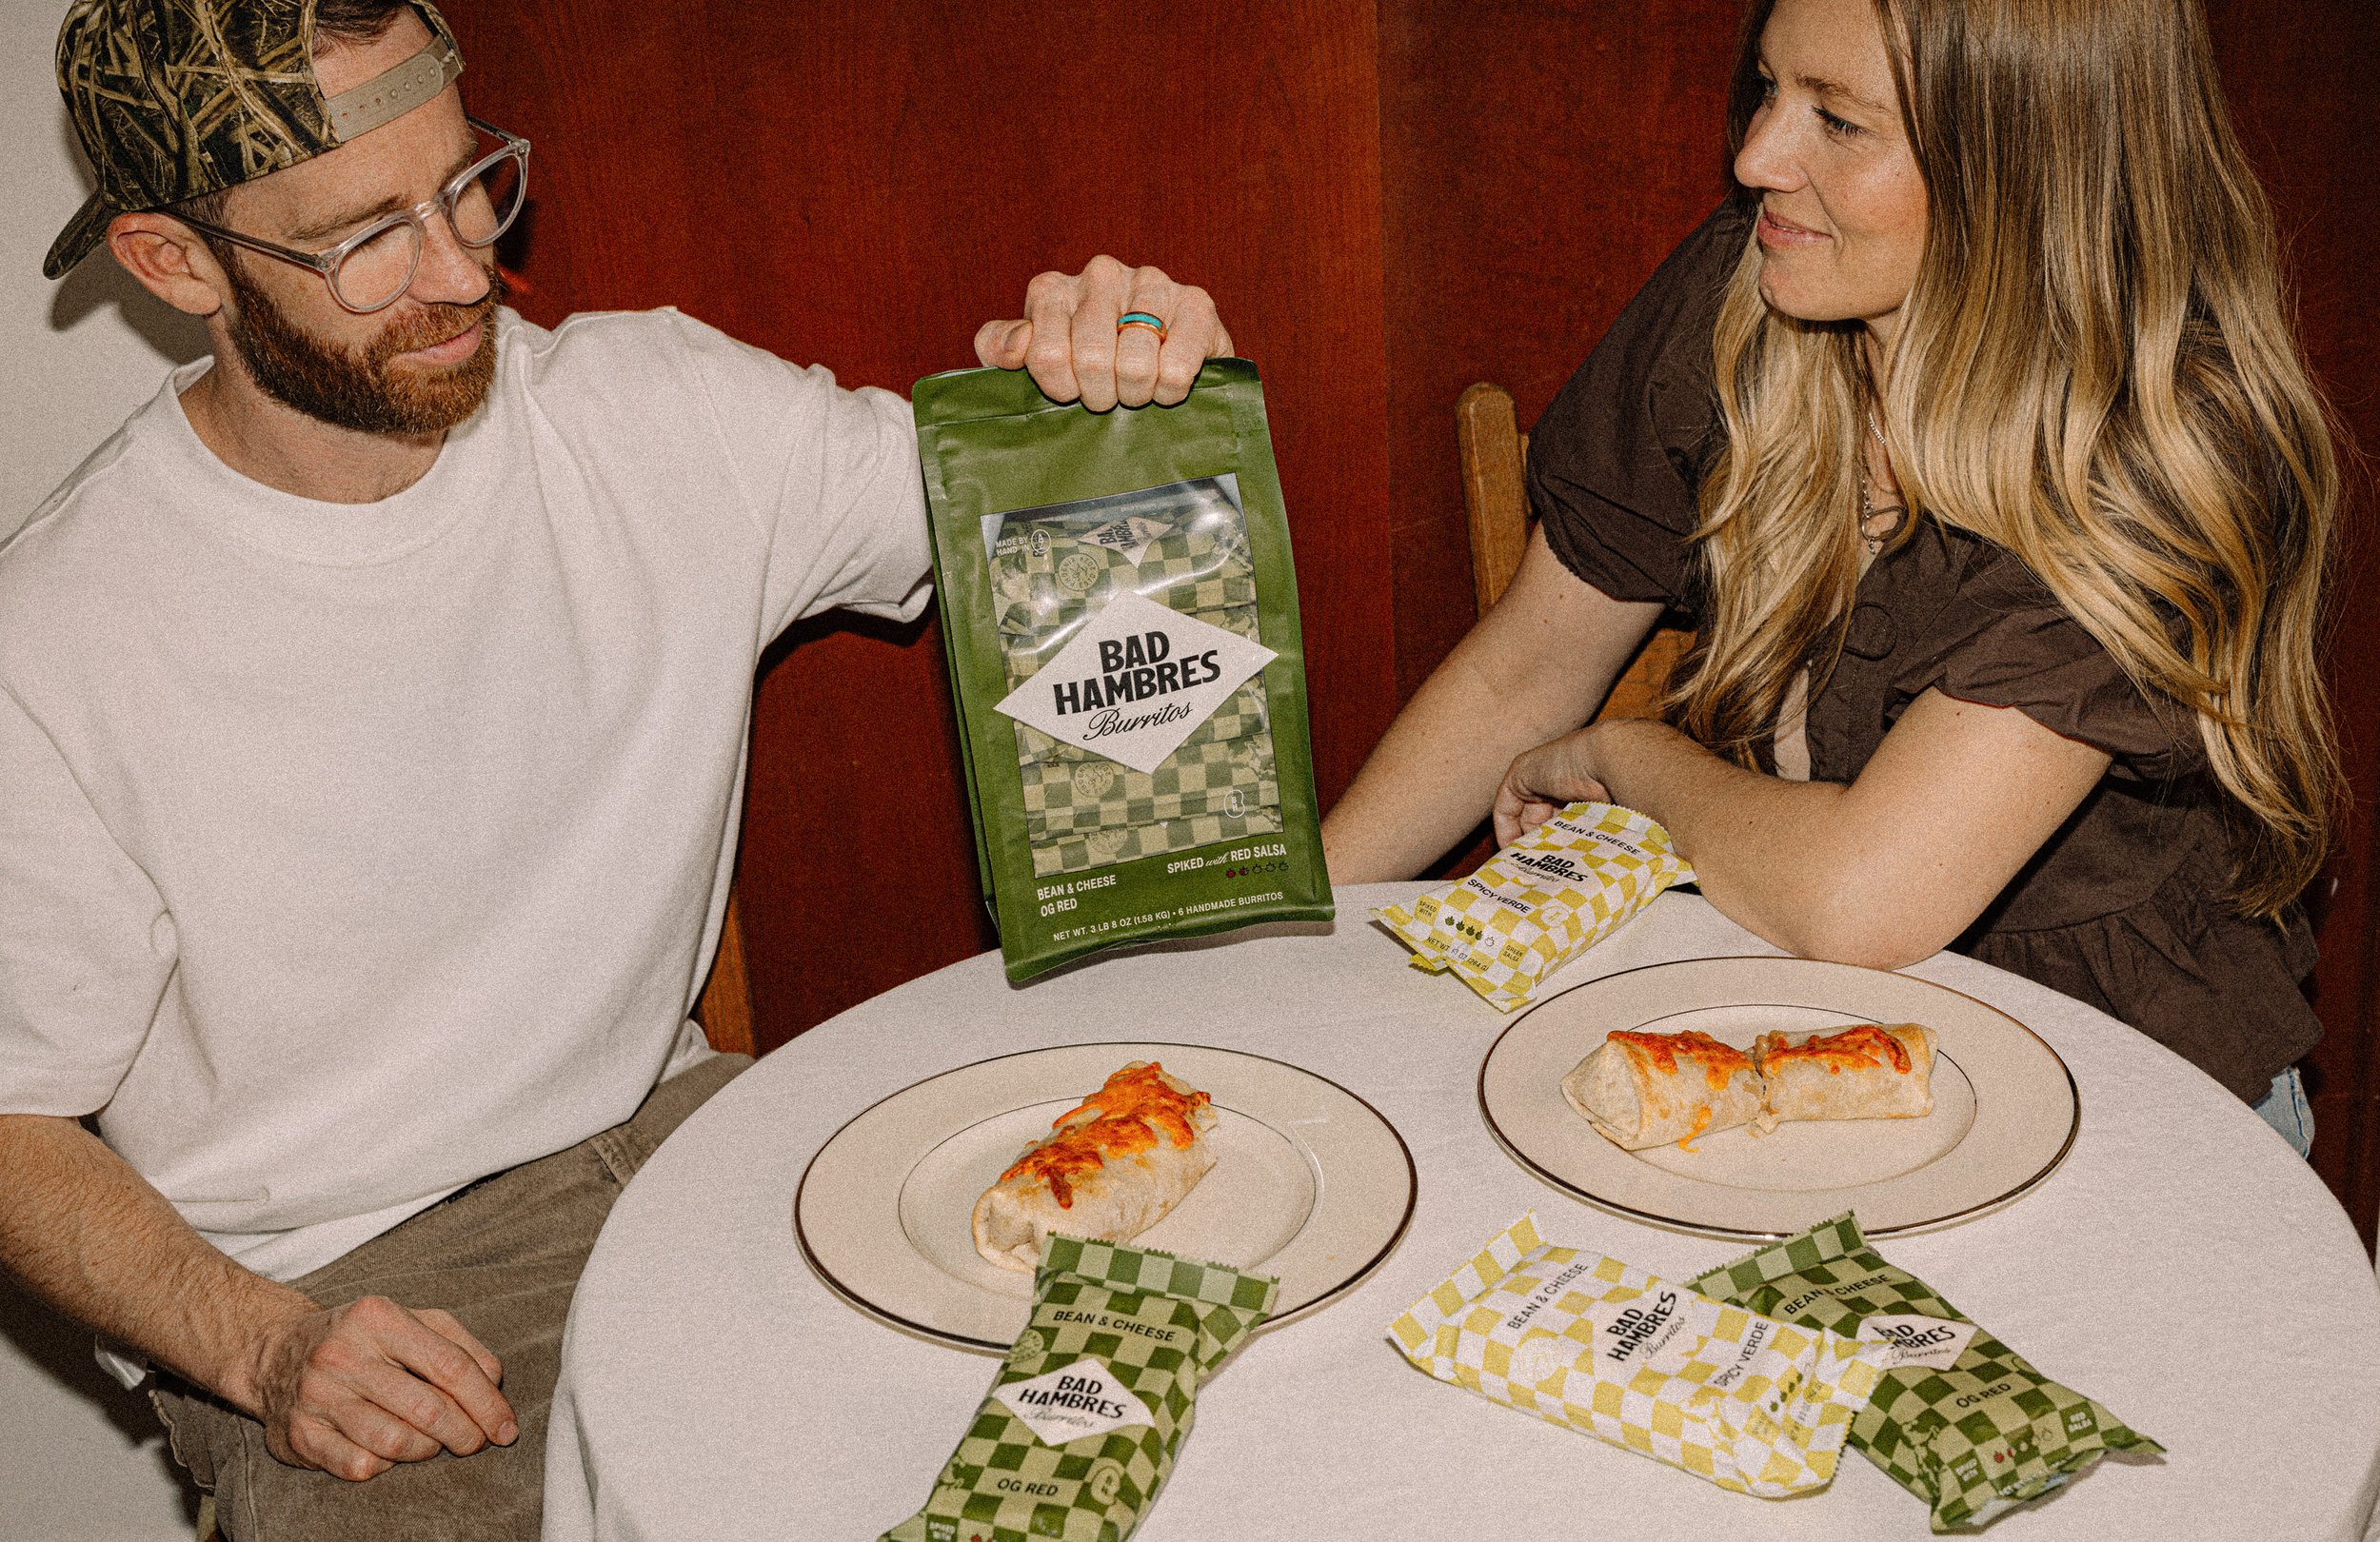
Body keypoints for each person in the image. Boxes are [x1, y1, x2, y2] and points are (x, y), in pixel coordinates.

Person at [0, 2, 1230, 1537]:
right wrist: (265, 1345)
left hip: (696, 1150)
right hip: (349, 1286)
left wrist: (1135, 366)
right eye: (365, 238)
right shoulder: (53, 640)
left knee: (1161, 1439)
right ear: (177, 264)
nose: (465, 273)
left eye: (468, 185)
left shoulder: (654, 413)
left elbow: (1067, 520)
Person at [1323, 0, 2339, 1157]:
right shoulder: (1753, 280)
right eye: (1767, 89)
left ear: (2027, 168)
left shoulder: (2153, 448)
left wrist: (1631, 758)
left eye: (1839, 124)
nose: (1757, 157)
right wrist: (1284, 930)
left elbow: (1864, 898)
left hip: (2132, 1116)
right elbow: (1526, 669)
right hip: (1796, 1049)